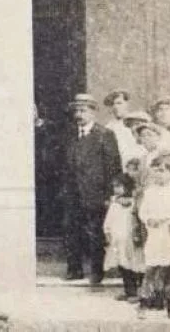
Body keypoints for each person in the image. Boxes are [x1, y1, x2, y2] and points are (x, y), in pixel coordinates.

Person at [61, 93, 122, 284]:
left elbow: (113, 167)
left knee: (95, 233)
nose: (79, 114)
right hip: (72, 194)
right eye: (77, 111)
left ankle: (97, 272)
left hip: (95, 194)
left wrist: (109, 194)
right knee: (71, 231)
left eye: (83, 110)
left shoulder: (104, 135)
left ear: (93, 113)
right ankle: (74, 269)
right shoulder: (69, 135)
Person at [137, 152, 170, 320]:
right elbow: (143, 211)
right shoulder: (150, 192)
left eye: (162, 170)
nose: (158, 174)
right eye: (155, 170)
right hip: (155, 235)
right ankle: (144, 302)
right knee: (151, 269)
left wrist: (168, 219)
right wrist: (149, 219)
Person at [103, 174, 144, 301]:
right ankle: (129, 291)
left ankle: (138, 292)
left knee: (134, 265)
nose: (116, 189)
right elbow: (109, 219)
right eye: (115, 187)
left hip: (130, 239)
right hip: (118, 240)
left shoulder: (134, 203)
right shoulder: (114, 203)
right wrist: (107, 232)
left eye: (119, 186)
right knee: (123, 265)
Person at [104, 90, 143, 169]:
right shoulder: (108, 127)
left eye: (119, 103)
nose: (116, 107)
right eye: (112, 104)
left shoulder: (138, 120)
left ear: (127, 104)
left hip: (139, 165)